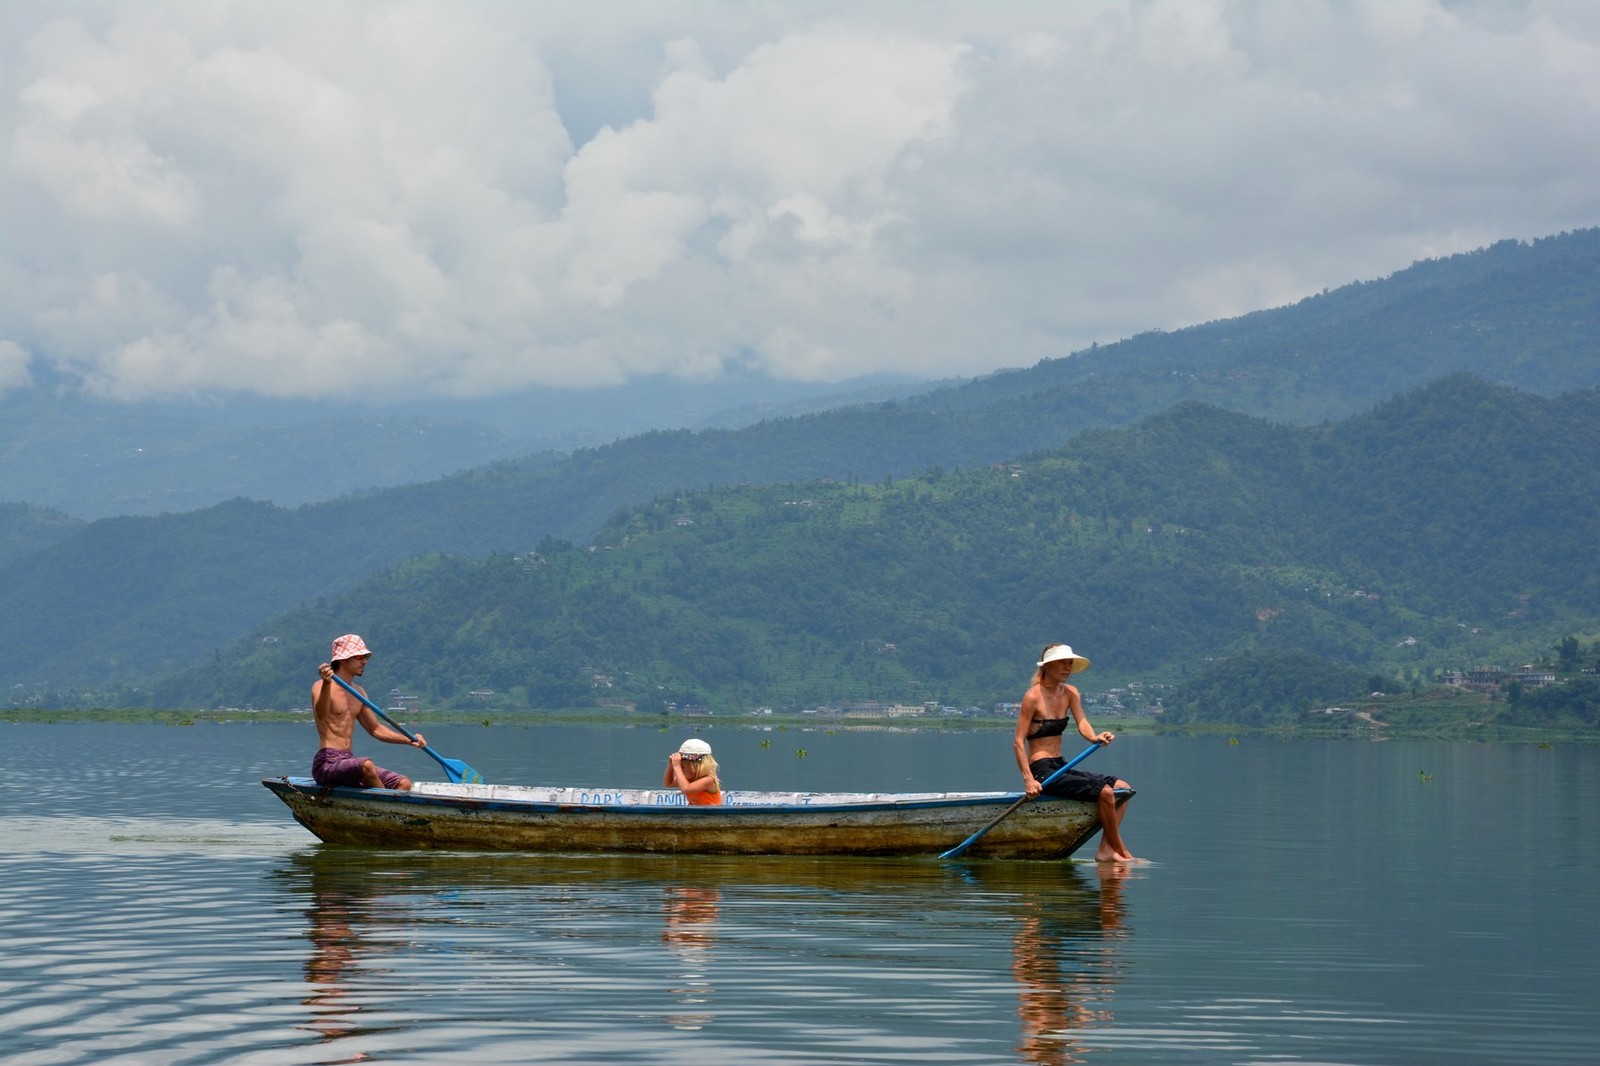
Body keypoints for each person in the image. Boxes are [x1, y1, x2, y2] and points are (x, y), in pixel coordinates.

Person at [1013, 643, 1138, 862]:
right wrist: (1029, 780)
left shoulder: (1070, 693)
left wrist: (1094, 737)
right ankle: (1122, 852)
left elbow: (1082, 722)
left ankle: (1107, 849)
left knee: (1122, 789)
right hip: (1042, 771)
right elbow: (1017, 742)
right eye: (1063, 662)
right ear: (1048, 666)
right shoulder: (1032, 697)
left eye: (1070, 663)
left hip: (1061, 766)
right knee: (1105, 793)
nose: (1068, 667)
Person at [310, 634, 427, 791]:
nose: (364, 662)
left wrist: (409, 740)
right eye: (359, 657)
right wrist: (326, 683)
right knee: (366, 765)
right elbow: (321, 716)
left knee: (404, 783)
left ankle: (386, 812)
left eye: (365, 657)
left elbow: (375, 729)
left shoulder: (359, 693)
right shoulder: (321, 686)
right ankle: (387, 808)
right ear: (344, 659)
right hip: (327, 763)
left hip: (348, 761)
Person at [663, 738, 723, 805]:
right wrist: (671, 765)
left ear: (696, 767)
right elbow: (669, 783)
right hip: (696, 814)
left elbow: (686, 790)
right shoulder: (688, 779)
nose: (681, 771)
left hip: (710, 814)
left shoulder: (709, 780)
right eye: (680, 767)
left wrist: (677, 767)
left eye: (682, 767)